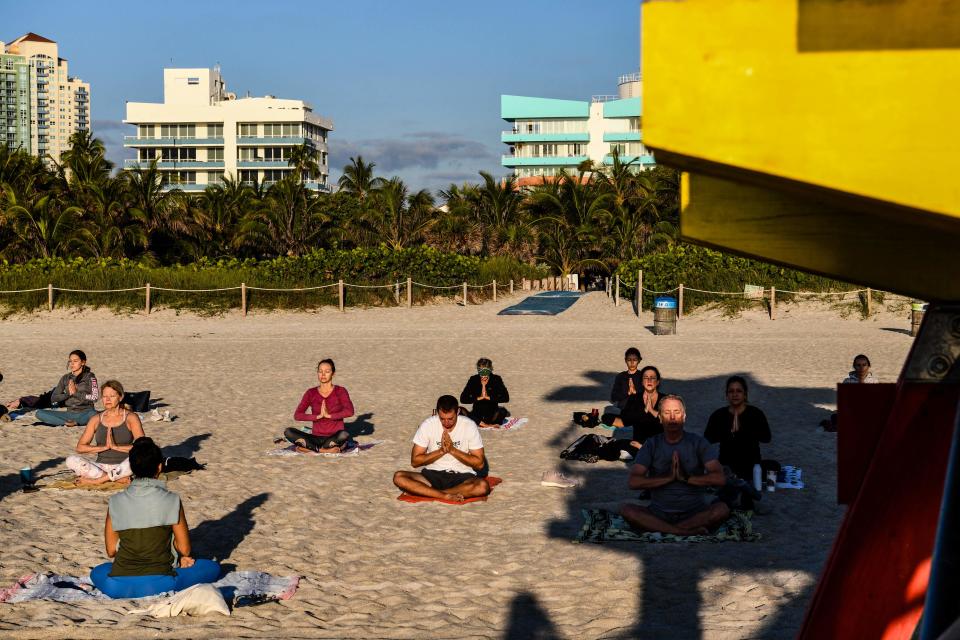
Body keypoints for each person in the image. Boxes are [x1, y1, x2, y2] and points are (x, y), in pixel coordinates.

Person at [90, 437, 221, 599]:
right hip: (162, 582)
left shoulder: (115, 501)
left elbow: (111, 551)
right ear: (159, 467)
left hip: (118, 586)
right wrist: (181, 557)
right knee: (212, 567)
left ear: (131, 468)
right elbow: (185, 549)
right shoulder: (172, 500)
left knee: (98, 571)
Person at [620, 395, 730, 535]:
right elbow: (633, 482)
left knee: (722, 509)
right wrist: (668, 478)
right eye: (667, 413)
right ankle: (683, 531)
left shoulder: (698, 443)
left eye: (677, 412)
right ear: (660, 417)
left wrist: (686, 478)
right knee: (627, 510)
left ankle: (670, 530)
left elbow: (719, 478)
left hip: (695, 513)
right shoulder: (651, 444)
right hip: (658, 513)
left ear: (684, 416)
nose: (672, 417)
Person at [392, 395, 490, 502]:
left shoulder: (469, 425)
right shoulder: (428, 425)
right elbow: (415, 462)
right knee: (399, 477)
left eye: (450, 419)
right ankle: (444, 496)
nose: (446, 423)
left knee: (482, 486)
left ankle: (434, 493)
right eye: (442, 419)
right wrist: (441, 451)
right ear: (437, 413)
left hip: (462, 476)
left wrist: (453, 450)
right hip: (432, 475)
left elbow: (480, 464)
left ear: (457, 412)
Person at [704, 376, 771, 509]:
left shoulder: (755, 414)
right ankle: (741, 489)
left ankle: (740, 488)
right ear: (727, 395)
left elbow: (767, 438)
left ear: (745, 394)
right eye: (731, 391)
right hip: (727, 464)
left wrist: (744, 431)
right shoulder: (719, 415)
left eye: (738, 391)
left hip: (750, 463)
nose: (735, 394)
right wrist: (728, 432)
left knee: (774, 467)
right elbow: (707, 440)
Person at [66, 380, 145, 485]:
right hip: (101, 467)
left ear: (120, 397)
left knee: (140, 458)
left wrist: (116, 447)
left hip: (124, 465)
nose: (107, 399)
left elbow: (143, 446)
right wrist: (103, 448)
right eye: (104, 396)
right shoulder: (96, 419)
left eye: (111, 396)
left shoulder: (131, 417)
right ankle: (115, 479)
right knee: (70, 460)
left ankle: (99, 480)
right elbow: (80, 447)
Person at [284, 359, 355, 453]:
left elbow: (350, 411)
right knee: (288, 432)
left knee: (344, 435)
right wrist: (317, 416)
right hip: (315, 437)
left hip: (333, 437)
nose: (323, 374)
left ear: (333, 374)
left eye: (327, 371)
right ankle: (323, 450)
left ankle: (309, 448)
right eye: (320, 371)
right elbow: (297, 415)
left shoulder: (340, 391)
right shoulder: (311, 392)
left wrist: (329, 416)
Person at [30, 350, 100, 427]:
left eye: (75, 361)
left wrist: (75, 393)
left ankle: (75, 422)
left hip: (86, 412)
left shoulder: (90, 377)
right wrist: (68, 394)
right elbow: (54, 398)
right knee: (39, 413)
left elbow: (95, 397)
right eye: (70, 361)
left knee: (94, 414)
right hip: (70, 414)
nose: (72, 364)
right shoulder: (65, 378)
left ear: (83, 362)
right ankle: (67, 422)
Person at [459, 357, 510, 427]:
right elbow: (463, 399)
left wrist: (488, 398)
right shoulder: (473, 379)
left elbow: (506, 398)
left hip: (492, 415)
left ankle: (488, 424)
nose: (483, 374)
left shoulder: (496, 379)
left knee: (502, 411)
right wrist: (478, 398)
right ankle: (485, 425)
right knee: (459, 410)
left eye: (486, 371)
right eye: (480, 371)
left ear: (490, 369)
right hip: (476, 415)